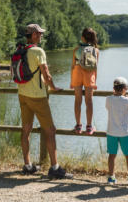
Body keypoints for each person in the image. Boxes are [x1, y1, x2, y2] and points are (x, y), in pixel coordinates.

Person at [17, 23, 73, 180]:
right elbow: (46, 75)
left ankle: (28, 166)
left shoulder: (20, 50)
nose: (41, 36)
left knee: (26, 130)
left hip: (23, 95)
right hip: (37, 97)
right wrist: (54, 87)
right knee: (50, 131)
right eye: (40, 33)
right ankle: (54, 168)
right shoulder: (38, 51)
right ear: (34, 35)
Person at [105, 76, 128, 185]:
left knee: (112, 155)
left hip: (111, 132)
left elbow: (108, 108)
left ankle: (111, 177)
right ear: (124, 88)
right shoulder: (127, 100)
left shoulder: (108, 99)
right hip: (124, 133)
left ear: (114, 88)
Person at [70, 27, 99, 135]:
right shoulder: (96, 51)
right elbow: (95, 67)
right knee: (89, 102)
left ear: (82, 37)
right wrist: (94, 81)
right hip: (89, 75)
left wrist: (71, 81)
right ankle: (89, 126)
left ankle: (78, 126)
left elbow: (73, 66)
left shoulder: (76, 49)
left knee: (78, 101)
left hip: (77, 74)